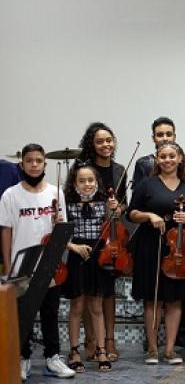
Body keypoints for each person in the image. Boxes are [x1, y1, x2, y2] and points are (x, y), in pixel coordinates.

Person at [0, 143, 75, 380]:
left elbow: (61, 230)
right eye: (29, 160)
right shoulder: (10, 194)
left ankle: (53, 358)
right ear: (22, 164)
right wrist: (8, 264)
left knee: (50, 312)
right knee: (23, 315)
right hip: (22, 264)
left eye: (38, 161)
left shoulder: (56, 192)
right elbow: (6, 231)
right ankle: (23, 358)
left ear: (45, 163)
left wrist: (57, 222)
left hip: (49, 263)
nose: (34, 165)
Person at [128, 141, 185, 365]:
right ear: (157, 160)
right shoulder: (147, 184)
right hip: (151, 243)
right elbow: (132, 213)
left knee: (175, 300)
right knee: (153, 299)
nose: (168, 160)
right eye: (163, 156)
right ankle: (151, 349)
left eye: (172, 156)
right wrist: (150, 216)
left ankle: (169, 350)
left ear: (179, 159)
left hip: (178, 247)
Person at [76, 121, 125, 362]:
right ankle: (90, 340)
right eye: (99, 141)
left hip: (110, 238)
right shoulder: (84, 170)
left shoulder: (119, 170)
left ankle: (109, 339)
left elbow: (125, 204)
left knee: (108, 292)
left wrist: (119, 207)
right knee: (87, 293)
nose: (106, 144)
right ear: (91, 145)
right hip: (87, 237)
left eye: (109, 140)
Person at [61, 162, 115, 373]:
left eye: (90, 180)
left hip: (98, 255)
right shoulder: (68, 203)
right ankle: (74, 351)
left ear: (96, 182)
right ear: (74, 183)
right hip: (77, 255)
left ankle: (101, 350)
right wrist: (73, 246)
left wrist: (115, 210)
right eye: (81, 181)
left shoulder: (104, 203)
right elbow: (59, 232)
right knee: (77, 306)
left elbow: (114, 226)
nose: (86, 184)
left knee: (96, 307)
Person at [132, 117, 176, 190]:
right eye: (160, 135)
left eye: (169, 134)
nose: (165, 138)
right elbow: (137, 196)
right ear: (153, 138)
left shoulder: (183, 163)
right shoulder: (143, 163)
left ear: (174, 137)